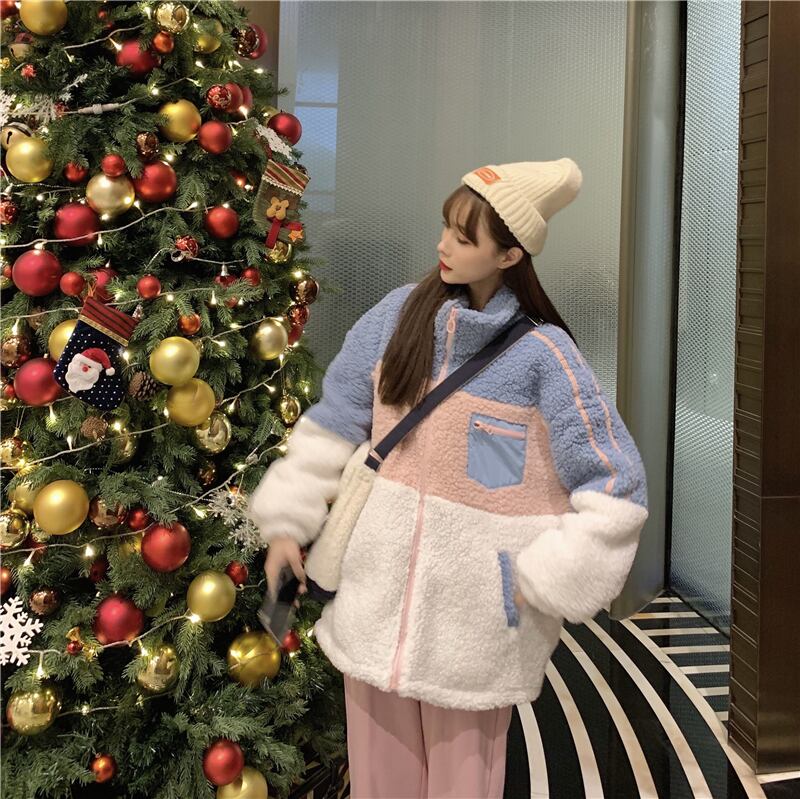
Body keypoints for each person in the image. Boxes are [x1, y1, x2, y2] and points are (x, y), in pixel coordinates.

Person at [247, 159, 649, 798]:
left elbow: (615, 484)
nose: (443, 246)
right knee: (379, 785)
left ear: (510, 254)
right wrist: (287, 525)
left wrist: (538, 577)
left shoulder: (545, 357)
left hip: (476, 631)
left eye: (464, 238)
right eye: (445, 228)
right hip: (373, 604)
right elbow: (334, 423)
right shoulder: (397, 316)